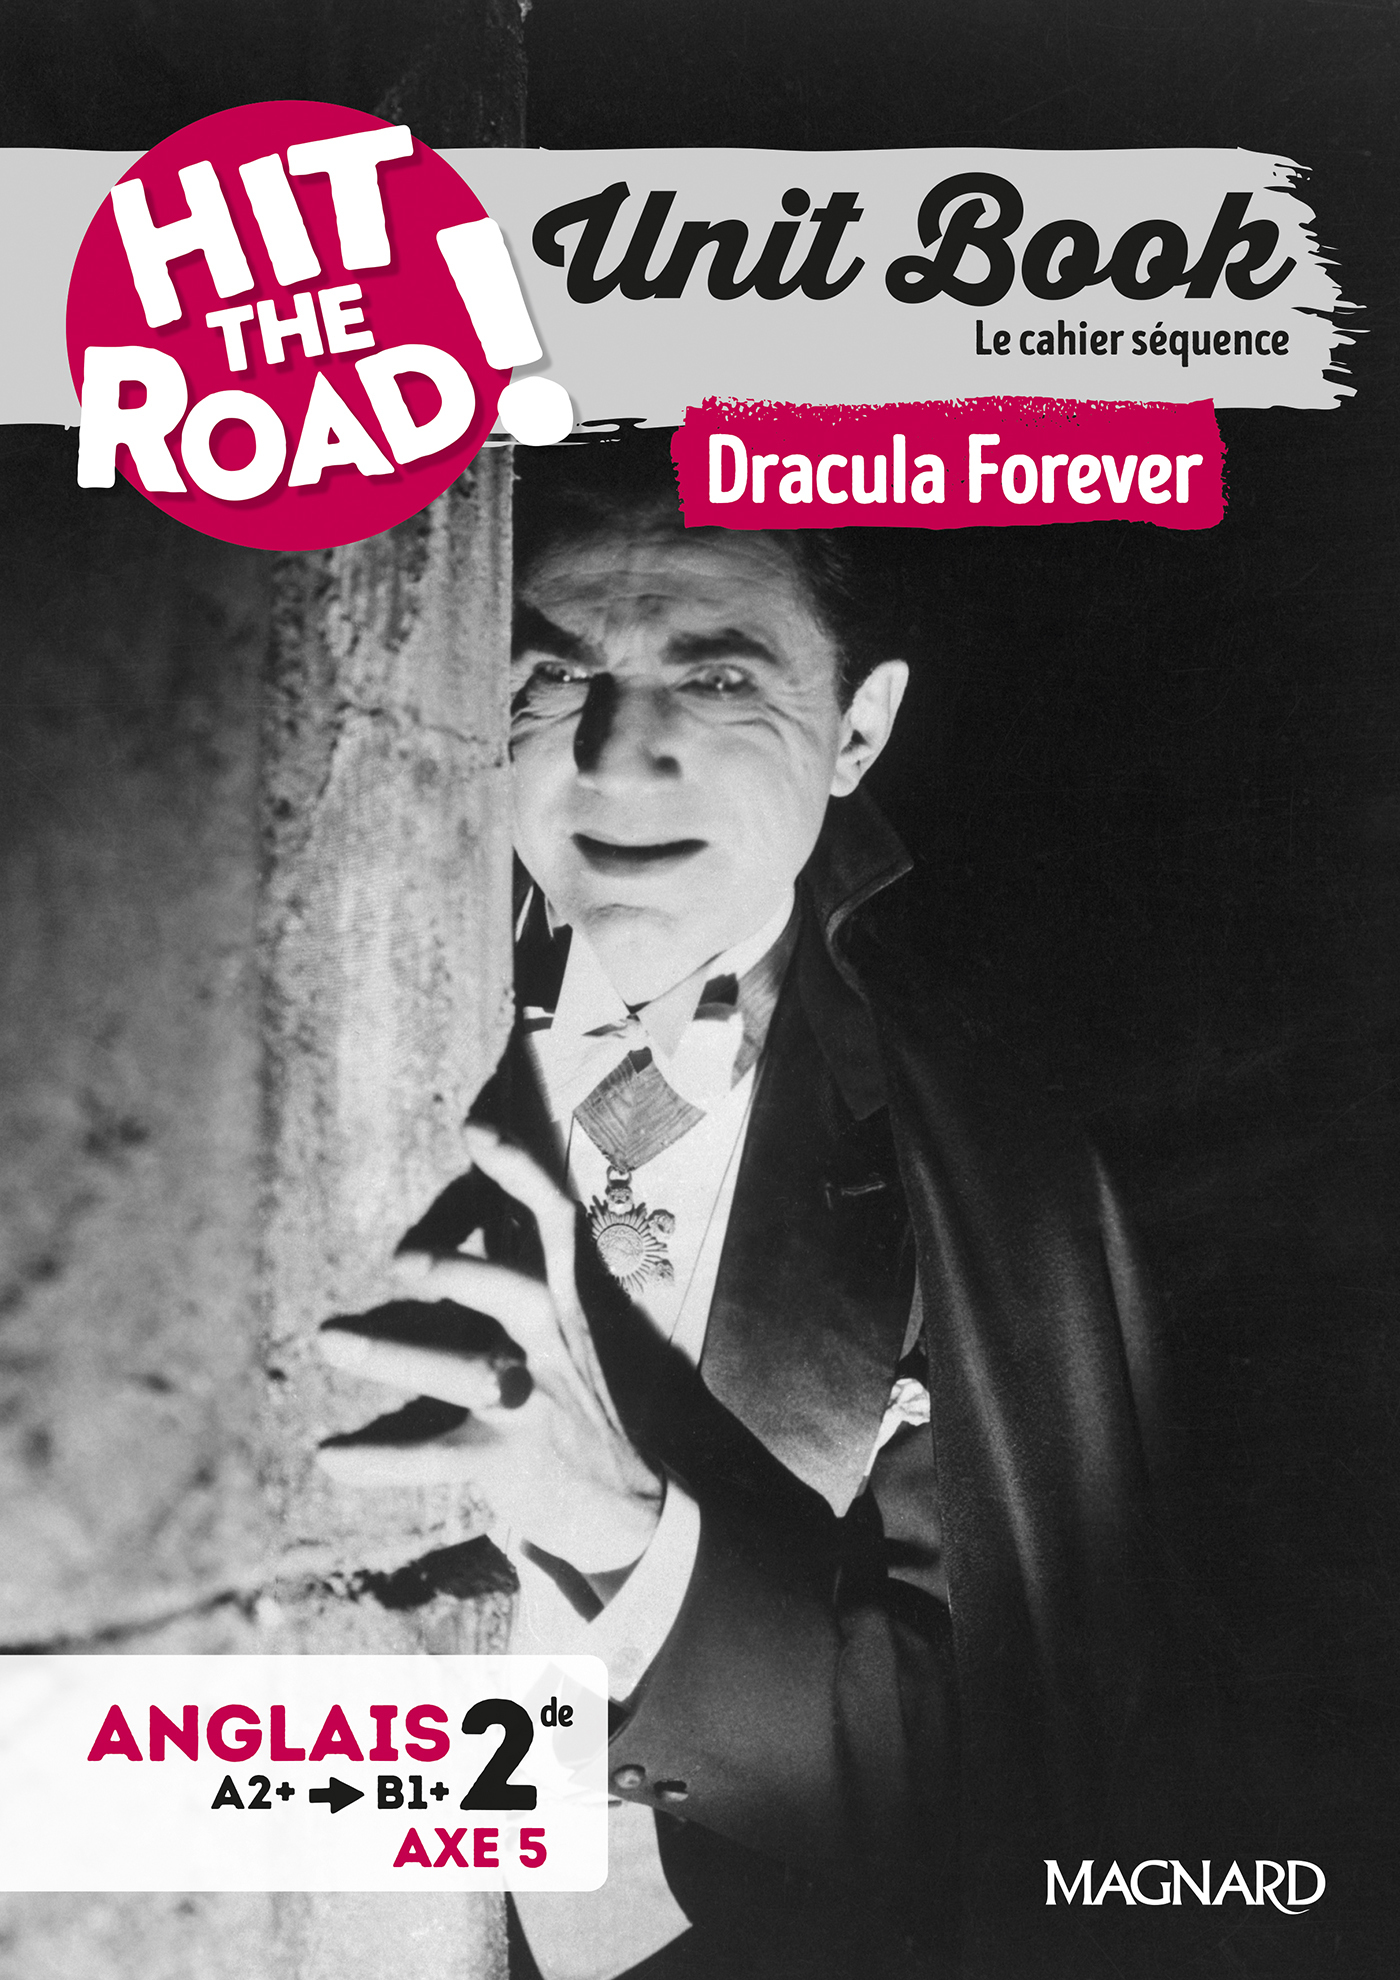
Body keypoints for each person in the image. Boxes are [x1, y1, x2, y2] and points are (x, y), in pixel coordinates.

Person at [317, 437, 1186, 1980]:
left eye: (718, 679)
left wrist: (626, 1530)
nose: (617, 757)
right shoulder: (327, 1012)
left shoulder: (994, 1172)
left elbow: (1016, 1804)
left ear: (858, 729)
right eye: (552, 674)